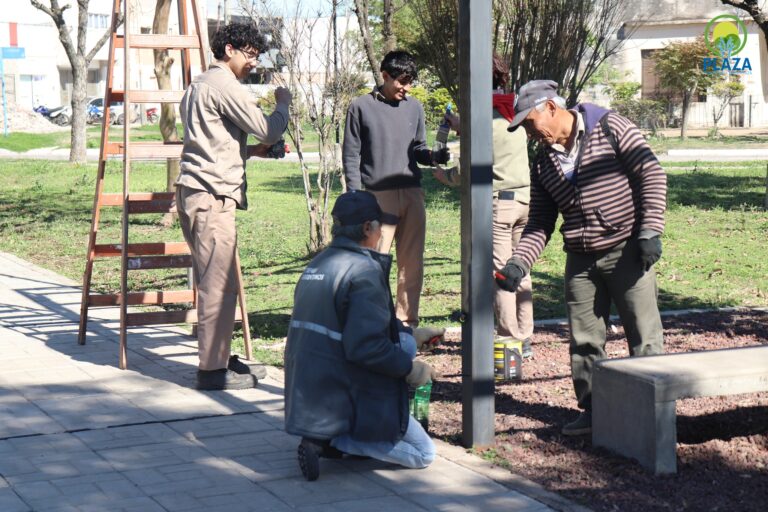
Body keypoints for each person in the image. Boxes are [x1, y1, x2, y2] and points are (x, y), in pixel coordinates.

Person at [496, 80, 666, 436]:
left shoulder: (610, 126)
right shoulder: (544, 163)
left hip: (627, 250)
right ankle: (594, 410)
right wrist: (518, 263)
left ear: (551, 108)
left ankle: (653, 412)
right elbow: (540, 222)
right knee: (585, 340)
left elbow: (651, 173)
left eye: (530, 123)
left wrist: (650, 231)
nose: (529, 133)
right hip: (580, 258)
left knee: (644, 334)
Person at [284, 190, 445, 481]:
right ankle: (338, 440)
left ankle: (329, 435)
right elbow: (365, 347)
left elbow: (347, 323)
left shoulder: (318, 264)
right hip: (340, 388)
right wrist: (410, 370)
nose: (382, 233)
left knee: (405, 343)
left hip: (310, 385)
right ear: (368, 228)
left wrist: (410, 334)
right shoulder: (363, 272)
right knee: (423, 453)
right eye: (379, 227)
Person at [176, 22, 292, 390]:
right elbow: (269, 129)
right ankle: (212, 371)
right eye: (249, 55)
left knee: (216, 279)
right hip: (211, 197)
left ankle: (221, 355)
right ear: (229, 50)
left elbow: (213, 142)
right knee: (218, 284)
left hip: (197, 191)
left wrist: (250, 152)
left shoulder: (198, 85)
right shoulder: (224, 85)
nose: (253, 63)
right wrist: (283, 105)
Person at [434, 54, 534, 357]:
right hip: (525, 199)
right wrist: (460, 124)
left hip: (500, 204)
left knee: (502, 274)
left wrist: (445, 175)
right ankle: (525, 336)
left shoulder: (480, 118)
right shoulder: (512, 109)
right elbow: (492, 134)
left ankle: (508, 340)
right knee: (521, 269)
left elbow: (467, 170)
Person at [342, 50, 451, 327]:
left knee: (412, 264)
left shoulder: (414, 107)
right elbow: (351, 155)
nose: (406, 88)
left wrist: (434, 157)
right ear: (385, 75)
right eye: (401, 81)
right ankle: (376, 323)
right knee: (374, 263)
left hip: (413, 193)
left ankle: (406, 323)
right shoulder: (360, 107)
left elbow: (418, 149)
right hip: (377, 197)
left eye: (410, 82)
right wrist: (356, 196)